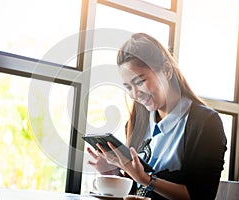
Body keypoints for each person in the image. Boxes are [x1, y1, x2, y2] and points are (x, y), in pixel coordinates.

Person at [87, 33, 227, 200]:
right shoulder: (136, 122)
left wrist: (146, 179)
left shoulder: (205, 123)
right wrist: (112, 170)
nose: (135, 94)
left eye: (140, 82)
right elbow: (137, 190)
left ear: (166, 70)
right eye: (128, 87)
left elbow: (201, 196)